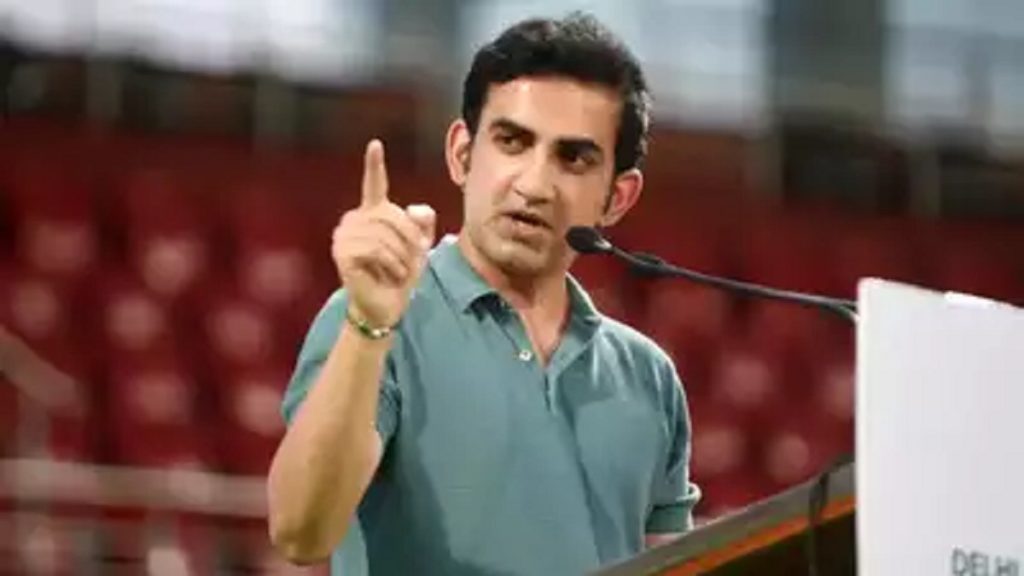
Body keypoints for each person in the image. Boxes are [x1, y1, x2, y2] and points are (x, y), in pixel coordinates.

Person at [267, 12, 700, 575]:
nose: (534, 184)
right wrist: (369, 326)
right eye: (512, 141)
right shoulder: (374, 323)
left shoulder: (649, 377)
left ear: (617, 197)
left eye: (573, 158)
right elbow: (302, 532)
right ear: (462, 155)